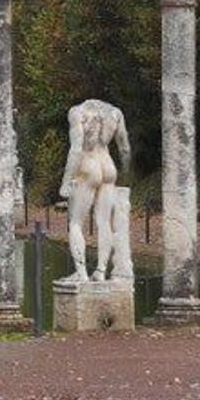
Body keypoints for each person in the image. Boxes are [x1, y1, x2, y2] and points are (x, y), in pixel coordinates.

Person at [59, 99, 131, 282]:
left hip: (88, 166)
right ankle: (100, 270)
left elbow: (75, 150)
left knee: (75, 223)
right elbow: (124, 148)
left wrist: (66, 182)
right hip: (108, 167)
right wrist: (126, 173)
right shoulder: (115, 112)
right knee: (104, 222)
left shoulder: (77, 112)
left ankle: (81, 273)